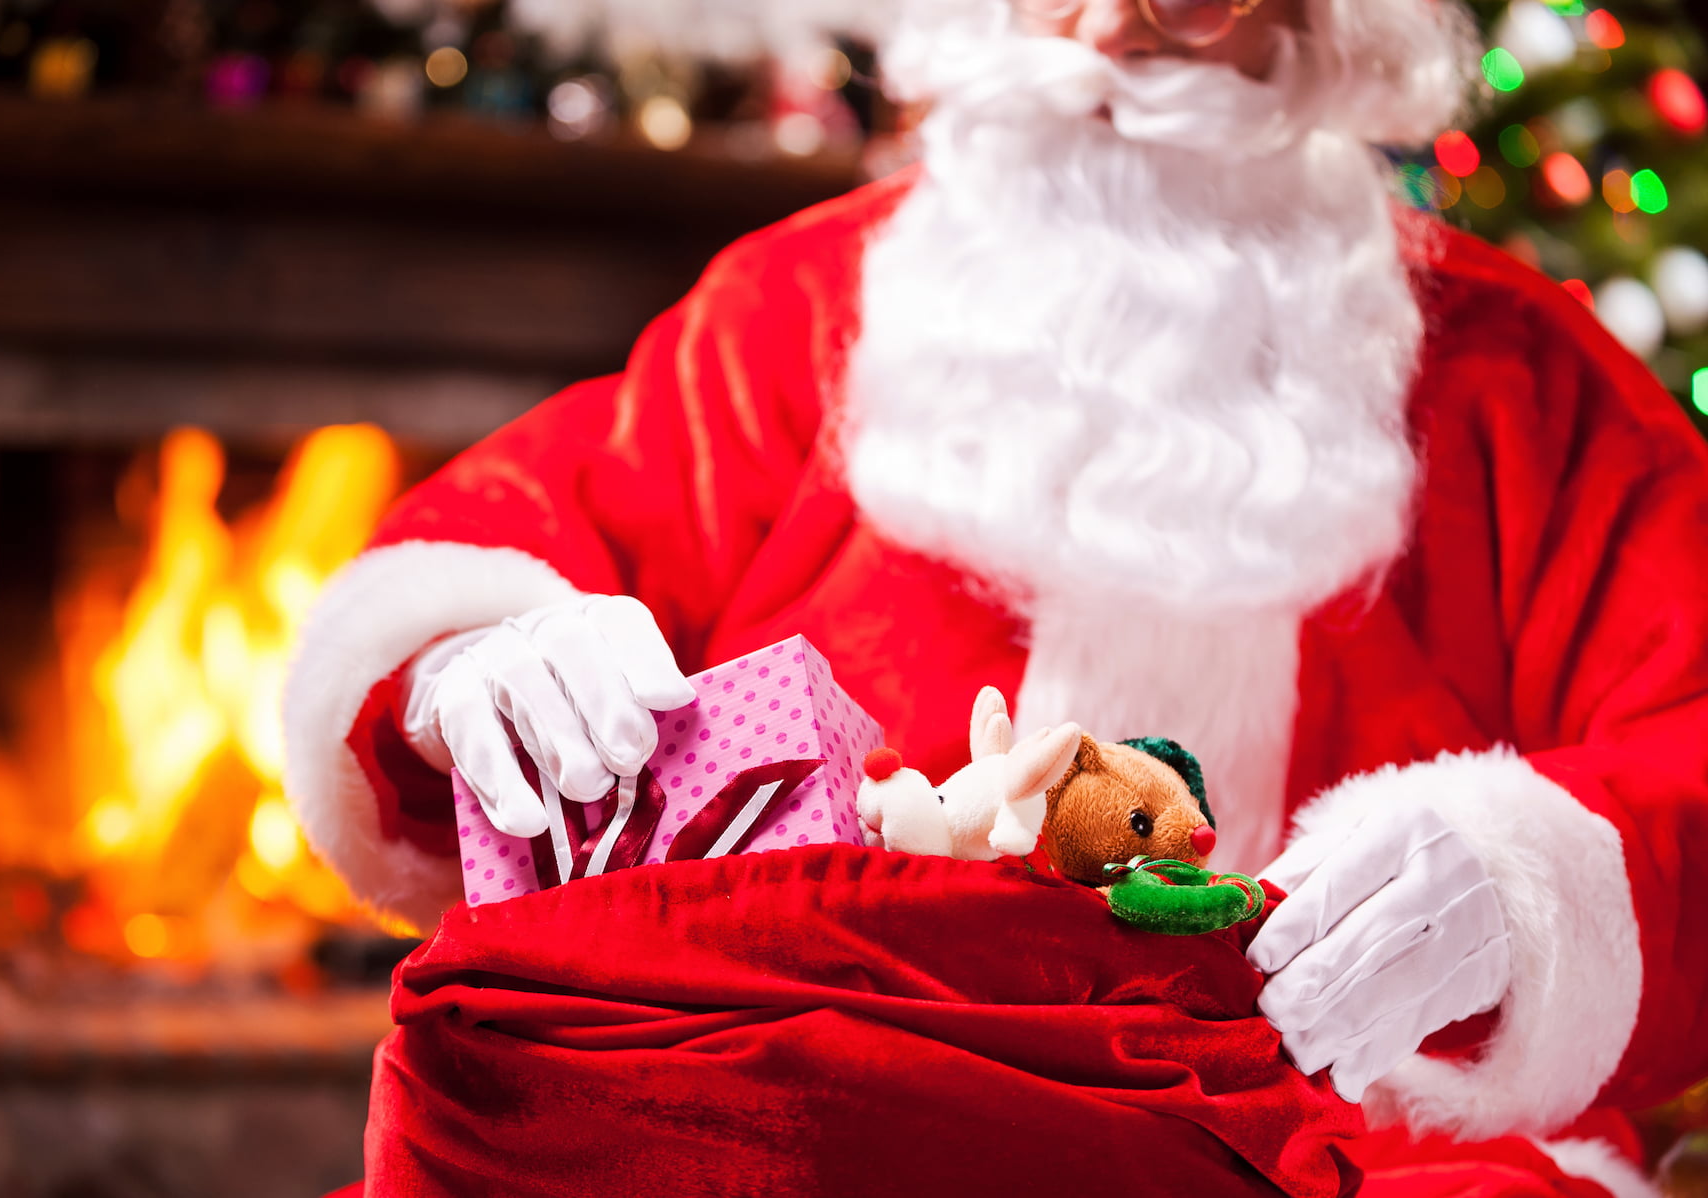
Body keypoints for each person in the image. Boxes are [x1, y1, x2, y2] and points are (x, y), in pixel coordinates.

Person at [283, 0, 1708, 1192]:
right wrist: (468, 661)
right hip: (833, 1114)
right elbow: (517, 529)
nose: (1120, 22)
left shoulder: (1527, 387)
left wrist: (1541, 875)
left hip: (1365, 1147)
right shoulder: (793, 318)